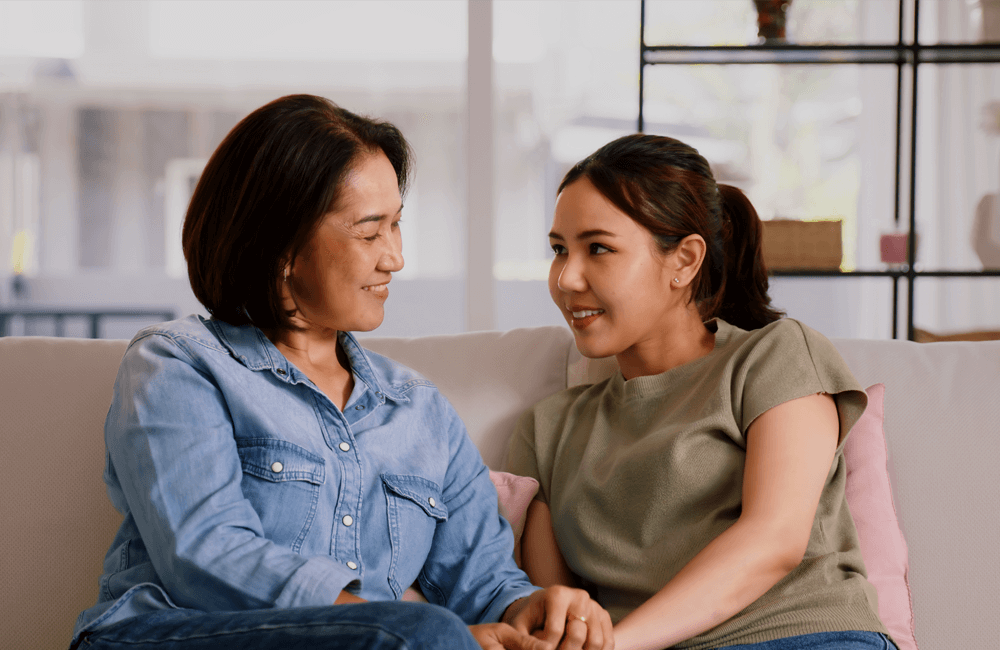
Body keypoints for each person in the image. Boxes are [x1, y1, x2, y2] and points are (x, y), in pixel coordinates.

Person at [69, 94, 613, 650]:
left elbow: (485, 583)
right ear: (282, 246)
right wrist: (398, 628)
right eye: (370, 231)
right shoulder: (178, 365)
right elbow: (207, 556)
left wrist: (535, 609)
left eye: (397, 225)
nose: (395, 257)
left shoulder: (419, 410)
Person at [506, 133, 897, 650]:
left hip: (806, 638)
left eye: (598, 248)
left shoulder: (774, 357)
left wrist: (617, 646)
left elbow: (774, 539)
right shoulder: (548, 428)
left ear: (685, 260)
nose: (566, 278)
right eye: (559, 250)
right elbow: (560, 610)